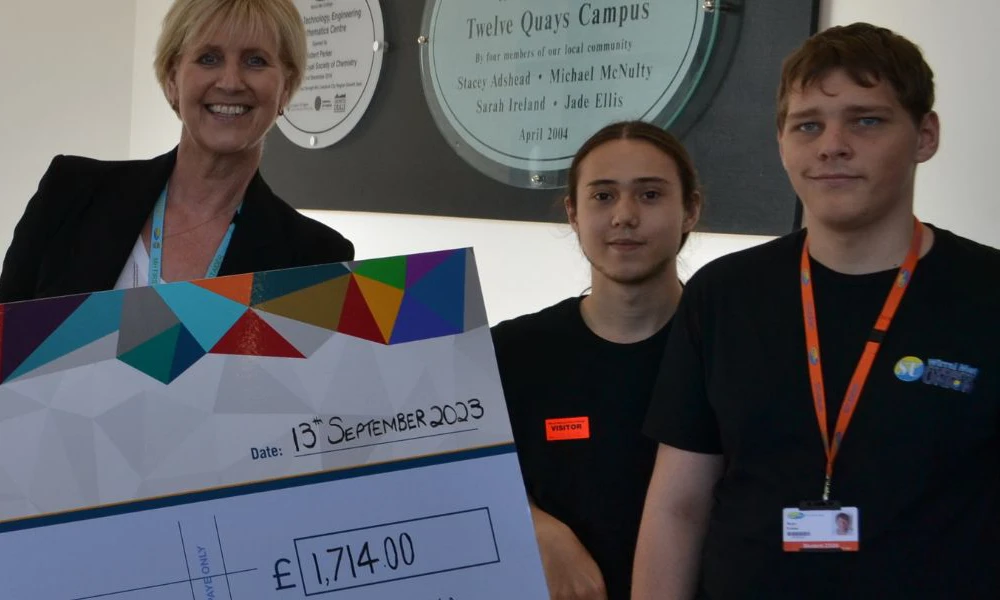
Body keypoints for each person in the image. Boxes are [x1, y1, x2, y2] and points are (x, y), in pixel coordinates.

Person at [633, 22, 1000, 599]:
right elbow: (677, 508)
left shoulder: (988, 292)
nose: (832, 144)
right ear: (782, 143)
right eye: (808, 125)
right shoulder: (724, 293)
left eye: (866, 120)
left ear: (925, 136)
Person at [0, 0, 353, 303]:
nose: (230, 82)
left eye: (256, 61)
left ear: (287, 87)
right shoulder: (71, 192)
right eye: (209, 58)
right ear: (172, 79)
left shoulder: (317, 259)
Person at [492, 121, 702, 599]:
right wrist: (535, 527)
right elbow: (456, 477)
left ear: (690, 210)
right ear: (572, 212)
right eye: (603, 196)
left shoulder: (727, 352)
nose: (624, 216)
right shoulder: (512, 351)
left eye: (650, 195)